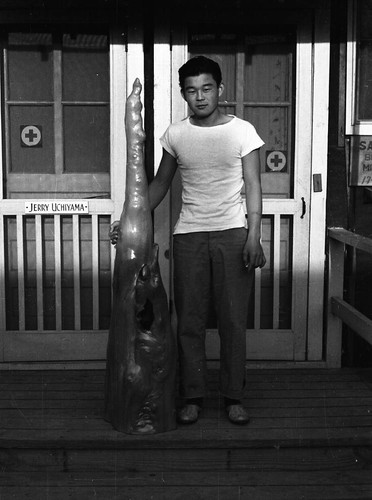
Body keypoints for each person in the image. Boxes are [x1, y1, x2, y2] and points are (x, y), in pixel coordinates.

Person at [110, 55, 266, 425]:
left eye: (207, 88)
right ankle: (192, 395)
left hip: (232, 233)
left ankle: (233, 397)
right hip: (189, 235)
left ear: (220, 90)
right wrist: (128, 216)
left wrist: (254, 236)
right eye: (192, 90)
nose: (200, 97)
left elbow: (255, 185)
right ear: (183, 94)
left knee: (231, 321)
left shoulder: (242, 131)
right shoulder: (176, 134)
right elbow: (161, 184)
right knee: (190, 321)